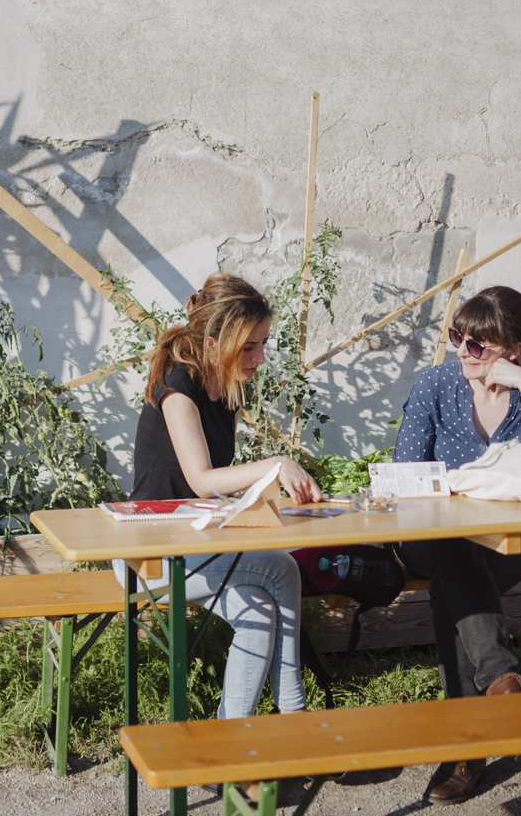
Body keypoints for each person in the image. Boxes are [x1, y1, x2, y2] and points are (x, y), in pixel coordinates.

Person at [392, 285, 521, 804]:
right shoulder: (435, 384)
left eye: (478, 345)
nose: (462, 350)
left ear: (514, 350)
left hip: (506, 545)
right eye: (458, 337)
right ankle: (501, 681)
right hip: (427, 539)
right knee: (453, 549)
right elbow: (404, 474)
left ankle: (467, 751)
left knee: (450, 589)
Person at [121, 272, 323, 720]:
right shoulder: (177, 384)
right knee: (283, 569)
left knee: (260, 611)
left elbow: (216, 487)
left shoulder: (228, 388)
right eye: (249, 347)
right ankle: (293, 711)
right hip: (147, 553)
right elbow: (201, 479)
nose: (260, 358)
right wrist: (273, 464)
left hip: (195, 543)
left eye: (263, 344)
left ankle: (232, 735)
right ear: (213, 343)